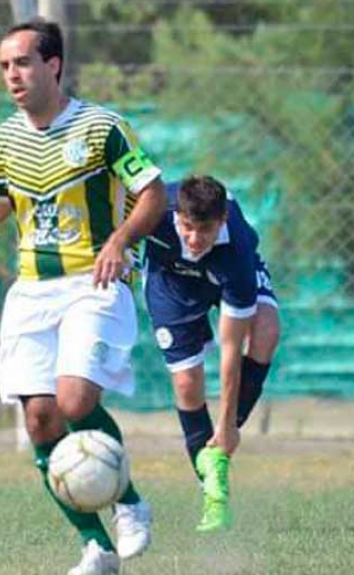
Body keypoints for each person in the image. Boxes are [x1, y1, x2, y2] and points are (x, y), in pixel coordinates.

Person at [0, 18, 167, 575]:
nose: (11, 75)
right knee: (39, 421)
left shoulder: (103, 127)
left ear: (53, 65)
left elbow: (152, 194)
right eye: (4, 66)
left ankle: (131, 502)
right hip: (32, 290)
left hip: (94, 280)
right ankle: (97, 546)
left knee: (73, 403)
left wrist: (120, 239)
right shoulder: (6, 138)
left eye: (22, 63)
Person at [141, 175, 280, 532]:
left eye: (205, 230)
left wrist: (227, 422)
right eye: (187, 227)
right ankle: (212, 488)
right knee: (187, 384)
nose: (194, 238)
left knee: (265, 331)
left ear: (221, 221)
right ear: (176, 218)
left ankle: (220, 442)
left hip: (225, 275)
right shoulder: (154, 210)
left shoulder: (236, 254)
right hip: (170, 281)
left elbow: (231, 347)